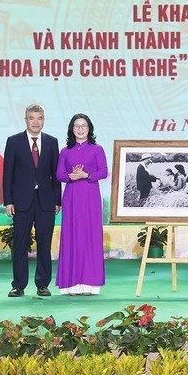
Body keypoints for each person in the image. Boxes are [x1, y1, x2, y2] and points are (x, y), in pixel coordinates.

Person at [2, 104, 60, 297]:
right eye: (32, 118)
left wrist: (57, 201)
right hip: (21, 202)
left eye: (40, 118)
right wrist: (8, 201)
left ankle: (42, 284)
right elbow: (7, 174)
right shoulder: (14, 141)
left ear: (44, 120)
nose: (36, 122)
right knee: (20, 243)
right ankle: (18, 285)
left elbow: (56, 175)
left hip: (46, 201)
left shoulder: (52, 142)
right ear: (25, 119)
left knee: (45, 242)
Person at [55, 113, 108, 295]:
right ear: (72, 129)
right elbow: (59, 175)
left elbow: (104, 172)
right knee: (72, 235)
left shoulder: (97, 149)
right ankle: (71, 284)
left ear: (89, 128)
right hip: (71, 196)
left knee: (89, 236)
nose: (80, 129)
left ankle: (90, 285)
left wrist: (86, 175)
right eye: (77, 126)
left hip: (90, 195)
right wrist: (71, 175)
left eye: (83, 125)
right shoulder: (65, 151)